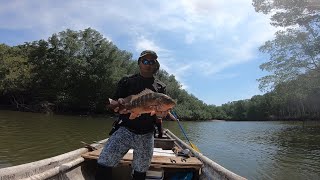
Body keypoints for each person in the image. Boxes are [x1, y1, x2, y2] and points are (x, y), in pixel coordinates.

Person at [95, 50, 167, 180]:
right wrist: (118, 106)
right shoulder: (127, 81)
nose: (148, 64)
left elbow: (159, 115)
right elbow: (115, 103)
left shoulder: (160, 87)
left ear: (155, 64)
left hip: (147, 133)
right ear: (139, 63)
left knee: (141, 169)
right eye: (145, 61)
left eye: (152, 61)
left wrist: (161, 115)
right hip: (125, 129)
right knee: (104, 161)